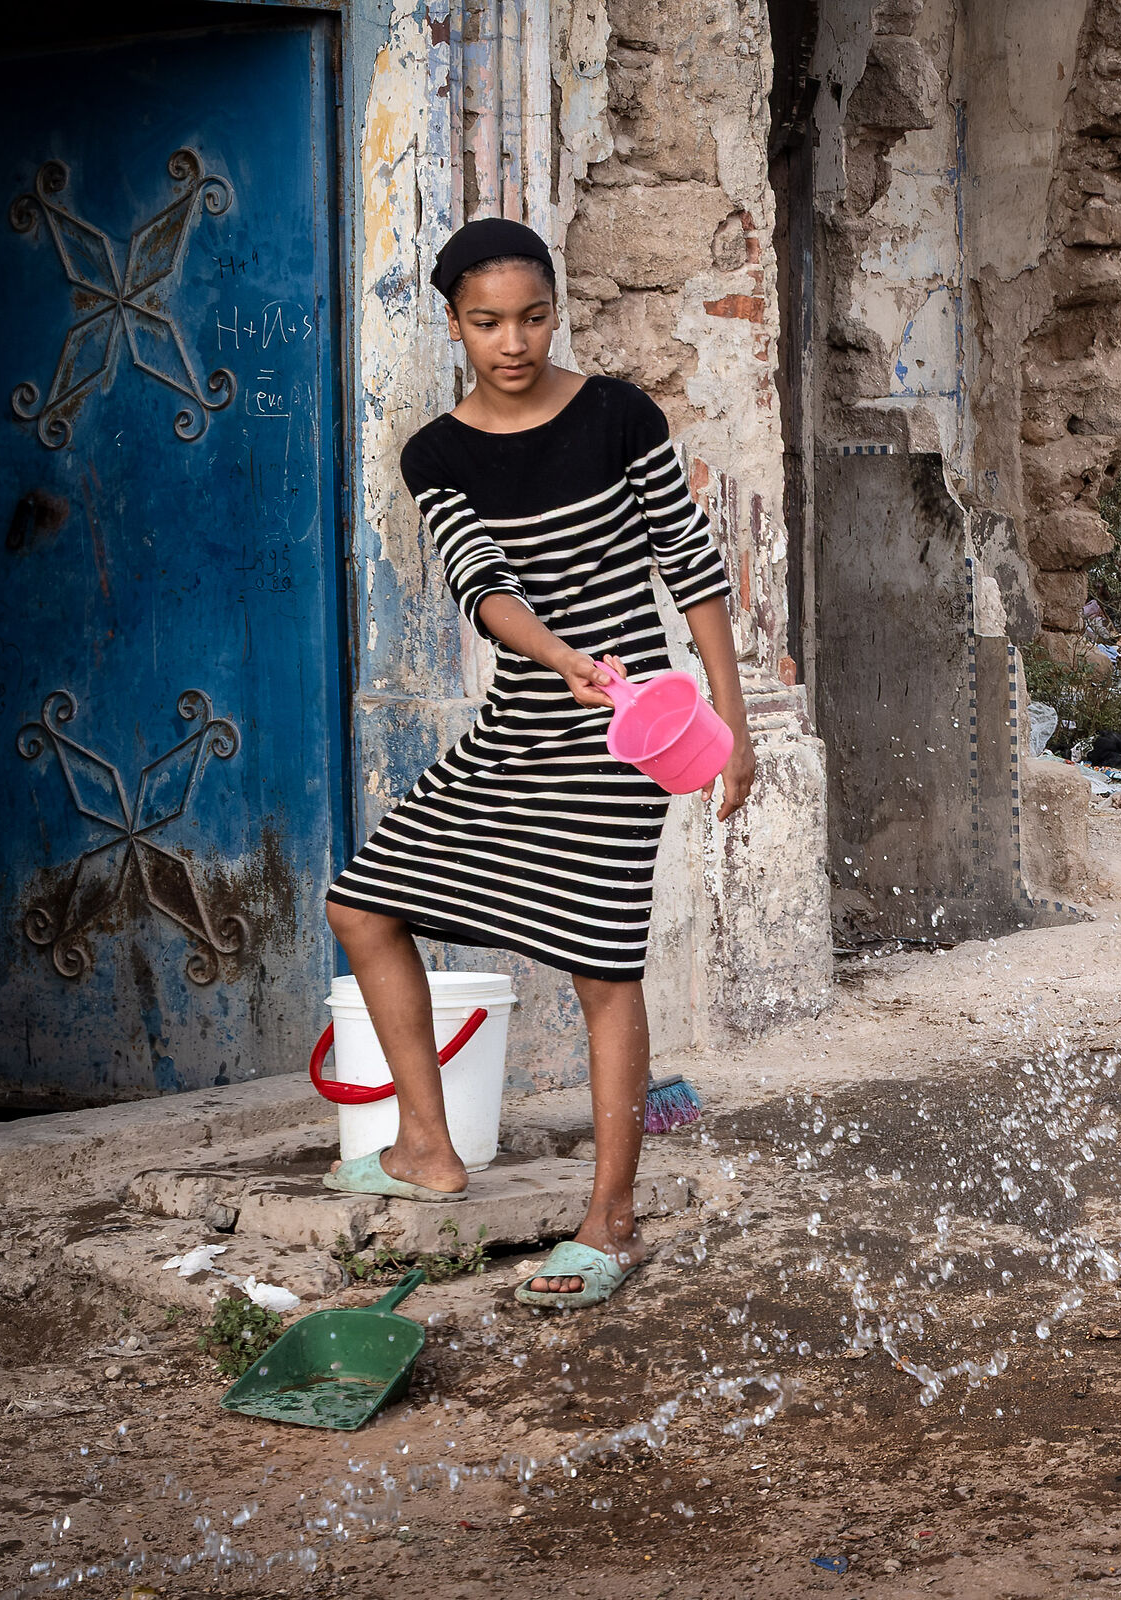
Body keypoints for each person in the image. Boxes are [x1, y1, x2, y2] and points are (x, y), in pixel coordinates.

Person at [323, 218, 755, 1310]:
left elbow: (691, 564)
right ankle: (428, 1145)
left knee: (602, 969)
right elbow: (483, 580)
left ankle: (611, 1221)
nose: (512, 342)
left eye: (531, 317)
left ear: (555, 312)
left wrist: (732, 719)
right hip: (525, 718)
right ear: (455, 325)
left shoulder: (618, 415)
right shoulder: (437, 454)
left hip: (630, 731)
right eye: (486, 322)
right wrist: (560, 657)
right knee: (361, 906)